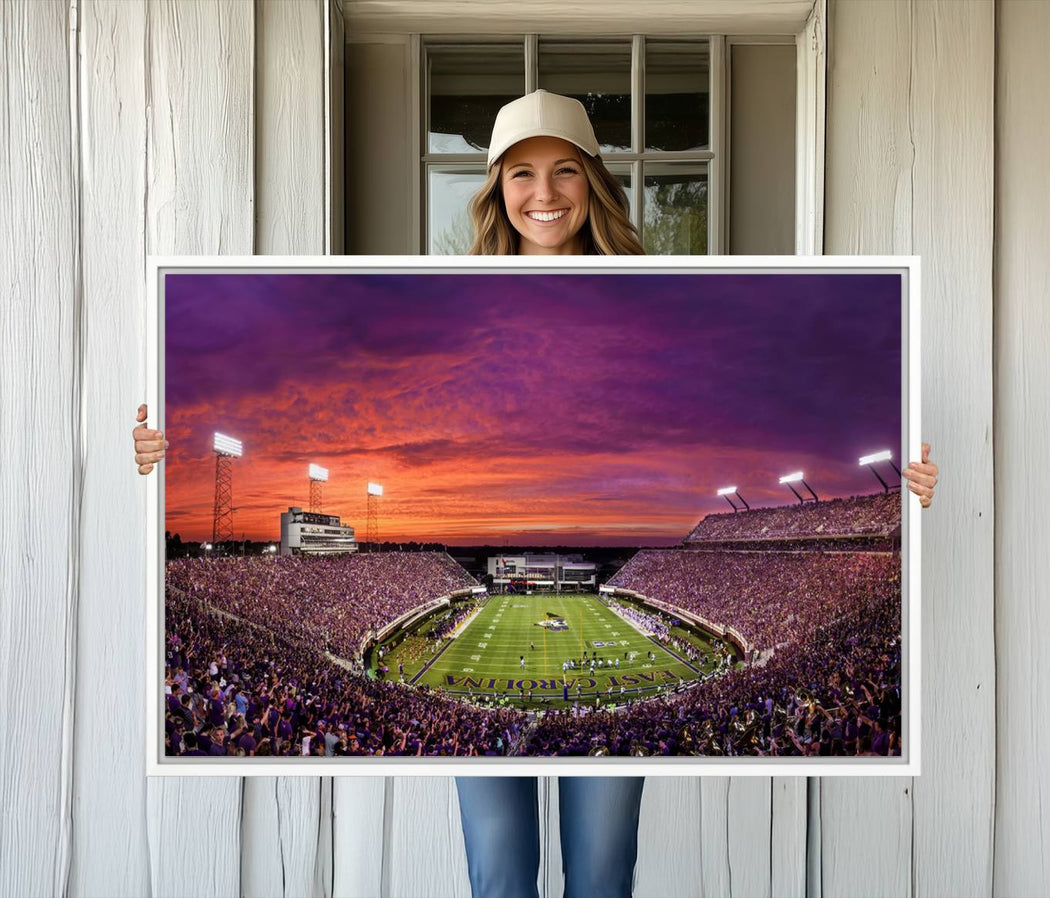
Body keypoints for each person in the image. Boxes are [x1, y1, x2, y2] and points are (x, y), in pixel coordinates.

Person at [132, 89, 940, 898]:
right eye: (521, 173)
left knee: (600, 876)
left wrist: (908, 493)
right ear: (495, 188)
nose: (544, 193)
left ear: (593, 181)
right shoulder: (455, 298)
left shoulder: (653, 292)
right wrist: (159, 451)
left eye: (564, 171)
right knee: (500, 876)